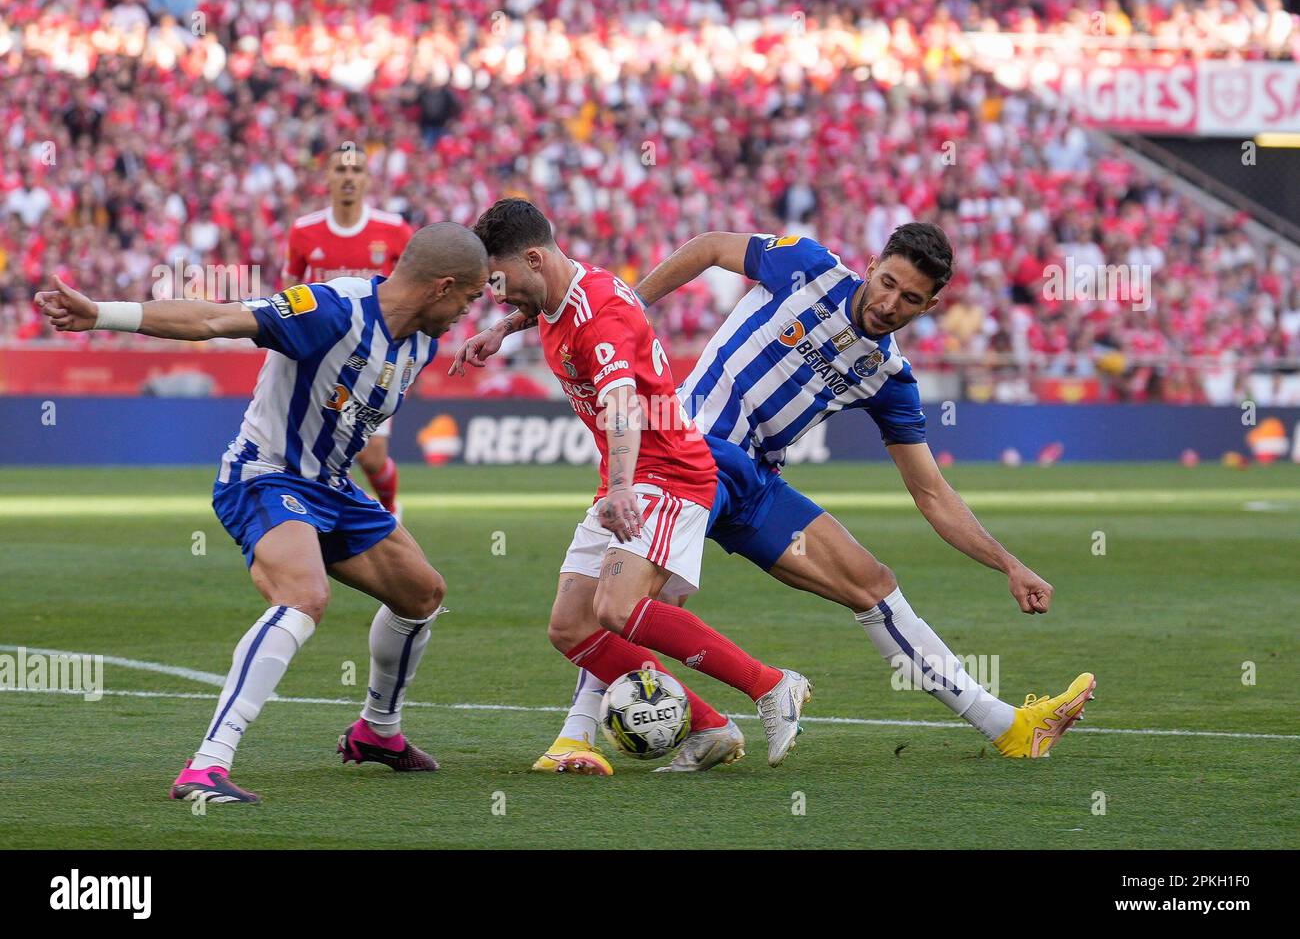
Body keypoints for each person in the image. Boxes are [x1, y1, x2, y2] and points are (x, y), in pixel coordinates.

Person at [455, 222, 1094, 763]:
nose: (890, 302)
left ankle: (1007, 727)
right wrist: (631, 309)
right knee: (629, 599)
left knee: (871, 584)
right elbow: (708, 247)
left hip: (754, 482)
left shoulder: (889, 377)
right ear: (871, 266)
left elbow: (930, 493)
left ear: (927, 310)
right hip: (691, 447)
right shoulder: (807, 265)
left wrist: (1007, 562)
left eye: (911, 299)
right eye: (888, 282)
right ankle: (590, 733)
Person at [37, 222, 489, 803]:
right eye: (469, 298)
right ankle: (207, 766)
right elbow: (213, 320)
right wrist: (102, 313)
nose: (467, 313)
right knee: (304, 597)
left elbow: (355, 416)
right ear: (441, 286)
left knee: (422, 593)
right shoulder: (330, 309)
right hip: (265, 474)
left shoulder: (421, 342)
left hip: (332, 486)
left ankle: (378, 731)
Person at [471, 198, 812, 774]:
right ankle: (708, 728)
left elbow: (623, 405)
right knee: (570, 627)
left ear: (533, 258)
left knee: (617, 606)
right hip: (630, 475)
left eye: (500, 284)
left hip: (666, 472)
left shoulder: (599, 312)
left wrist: (623, 487)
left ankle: (772, 685)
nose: (497, 294)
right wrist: (503, 327)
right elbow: (548, 310)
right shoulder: (562, 294)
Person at [284, 145, 414, 517]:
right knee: (316, 450)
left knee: (372, 458)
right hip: (323, 357)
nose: (348, 177)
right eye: (340, 169)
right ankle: (313, 516)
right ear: (327, 177)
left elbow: (413, 286)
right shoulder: (304, 232)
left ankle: (389, 509)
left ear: (367, 180)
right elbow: (288, 292)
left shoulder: (393, 230)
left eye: (356, 170)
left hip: (376, 354)